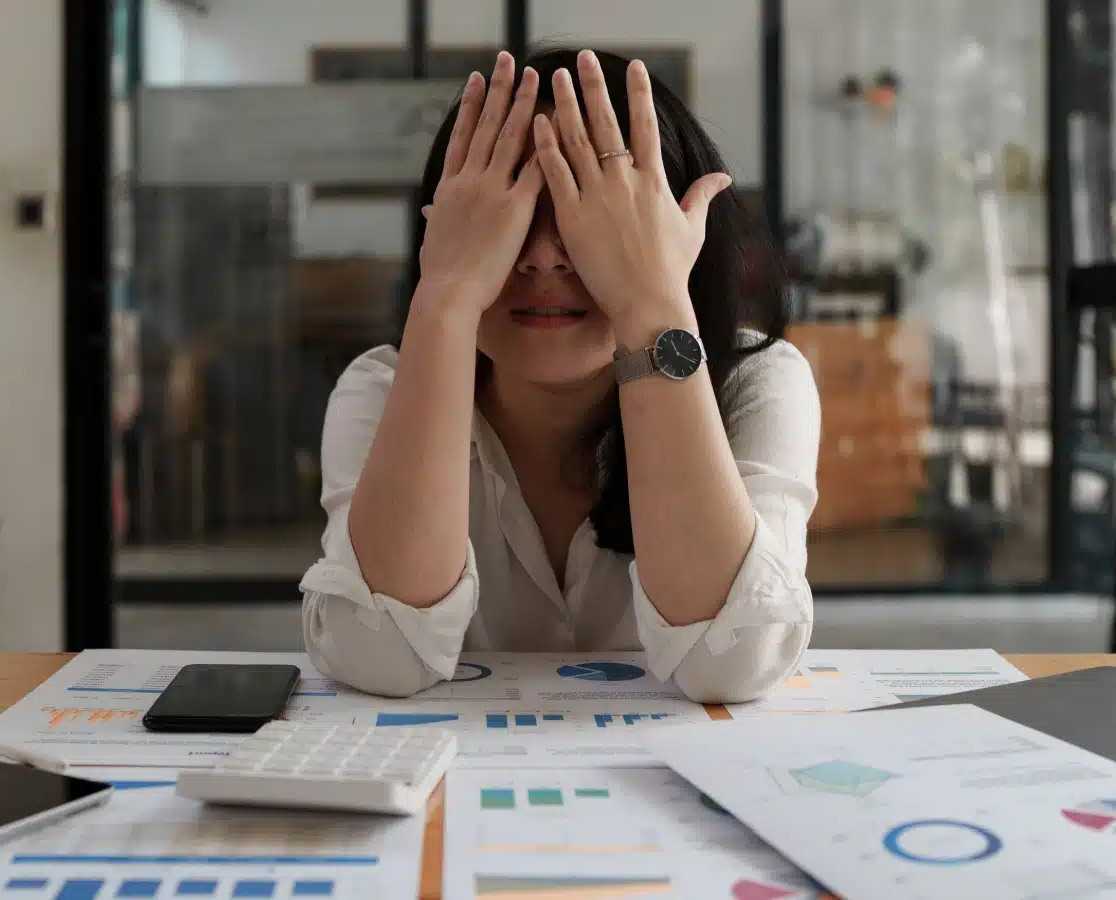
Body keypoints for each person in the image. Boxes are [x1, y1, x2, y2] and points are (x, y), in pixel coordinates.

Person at [300, 47, 820, 702]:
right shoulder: (379, 390)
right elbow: (376, 656)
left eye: (590, 216)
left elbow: (732, 664)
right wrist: (446, 301)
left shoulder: (758, 381)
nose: (544, 258)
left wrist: (653, 306)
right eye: (507, 216)